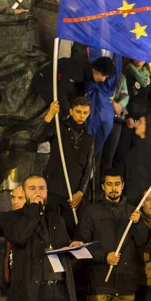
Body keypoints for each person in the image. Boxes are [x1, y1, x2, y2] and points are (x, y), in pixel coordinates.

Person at [2, 175, 82, 301]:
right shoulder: (16, 218)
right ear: (24, 192)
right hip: (33, 293)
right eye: (32, 188)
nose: (38, 192)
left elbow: (61, 250)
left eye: (42, 188)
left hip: (59, 291)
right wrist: (33, 212)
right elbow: (19, 237)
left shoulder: (56, 217)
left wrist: (73, 247)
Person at [76, 169, 150, 301]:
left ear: (123, 185)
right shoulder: (91, 212)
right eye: (109, 184)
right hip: (100, 280)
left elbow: (143, 240)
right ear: (103, 187)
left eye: (117, 184)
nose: (113, 188)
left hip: (126, 282)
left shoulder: (132, 211)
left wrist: (139, 222)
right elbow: (82, 244)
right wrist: (103, 257)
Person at [32, 98, 94, 236]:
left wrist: (81, 192)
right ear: (71, 111)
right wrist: (50, 114)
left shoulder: (89, 139)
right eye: (78, 112)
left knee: (70, 232)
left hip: (72, 195)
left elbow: (88, 168)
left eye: (85, 113)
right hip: (52, 188)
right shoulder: (59, 129)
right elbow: (37, 137)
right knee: (46, 228)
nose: (81, 116)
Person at [35, 56, 115, 120]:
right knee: (62, 110)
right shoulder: (77, 70)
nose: (104, 79)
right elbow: (62, 91)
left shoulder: (88, 75)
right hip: (44, 80)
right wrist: (68, 112)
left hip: (58, 84)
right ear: (96, 71)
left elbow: (79, 95)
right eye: (104, 76)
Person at [113, 60, 151, 174]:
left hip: (142, 125)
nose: (140, 59)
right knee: (121, 156)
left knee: (138, 158)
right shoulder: (125, 73)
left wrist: (146, 121)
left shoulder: (149, 78)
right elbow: (123, 97)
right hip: (126, 122)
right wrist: (128, 116)